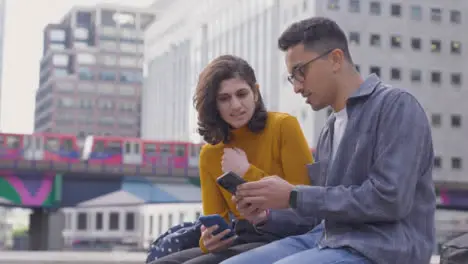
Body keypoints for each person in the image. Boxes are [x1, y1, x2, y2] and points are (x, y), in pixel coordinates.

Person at [222, 17, 436, 264]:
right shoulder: (330, 129)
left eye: (300, 72)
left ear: (335, 59)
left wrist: (294, 195)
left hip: (383, 248)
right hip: (326, 239)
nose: (297, 87)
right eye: (292, 78)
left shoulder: (396, 106)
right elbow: (319, 212)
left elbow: (389, 200)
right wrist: (265, 215)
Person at [150, 55, 314, 264]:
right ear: (213, 105)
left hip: (285, 234)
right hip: (241, 239)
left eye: (242, 94)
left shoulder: (284, 126)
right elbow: (216, 219)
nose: (236, 105)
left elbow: (305, 202)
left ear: (255, 92)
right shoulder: (210, 155)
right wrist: (208, 241)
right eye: (224, 98)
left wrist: (246, 171)